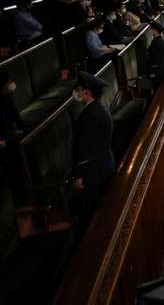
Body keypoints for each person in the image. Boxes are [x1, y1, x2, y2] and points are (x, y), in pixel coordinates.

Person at [71, 72, 116, 222]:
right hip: (102, 165)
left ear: (87, 92)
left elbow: (86, 149)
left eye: (78, 89)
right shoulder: (99, 108)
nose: (76, 93)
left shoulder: (91, 115)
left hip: (93, 173)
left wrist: (79, 176)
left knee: (91, 216)